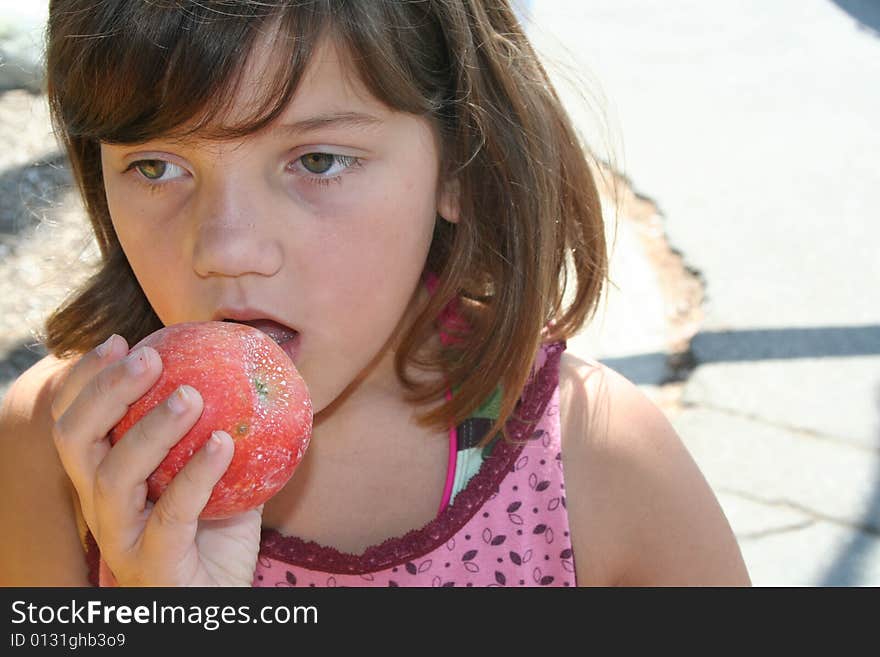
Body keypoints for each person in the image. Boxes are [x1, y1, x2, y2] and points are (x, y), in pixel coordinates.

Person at [0, 0, 750, 587]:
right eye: (157, 166)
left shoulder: (594, 464)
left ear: (459, 162)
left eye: (318, 159)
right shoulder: (55, 451)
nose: (225, 247)